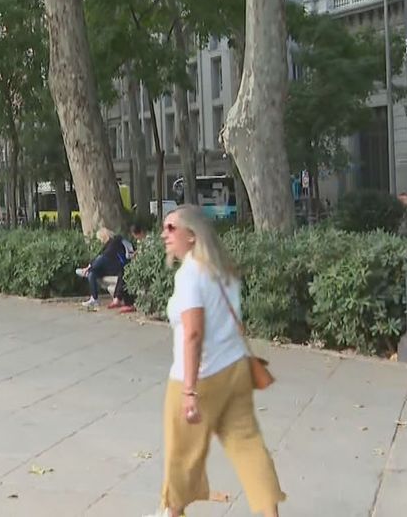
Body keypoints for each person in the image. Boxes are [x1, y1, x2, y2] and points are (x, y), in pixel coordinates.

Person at [144, 205, 285, 517]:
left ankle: (172, 512)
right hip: (236, 369)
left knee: (182, 454)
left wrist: (189, 392)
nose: (163, 235)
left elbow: (193, 334)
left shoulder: (190, 275)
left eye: (171, 228)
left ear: (192, 236)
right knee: (248, 445)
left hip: (199, 375)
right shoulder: (224, 271)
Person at [75, 227, 129, 309]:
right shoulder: (107, 245)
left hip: (118, 267)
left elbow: (106, 254)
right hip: (109, 267)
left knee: (102, 258)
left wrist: (91, 266)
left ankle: (86, 271)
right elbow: (99, 254)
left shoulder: (116, 241)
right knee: (92, 274)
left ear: (104, 236)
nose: (100, 241)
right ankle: (94, 299)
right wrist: (90, 265)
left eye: (100, 239)